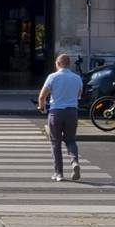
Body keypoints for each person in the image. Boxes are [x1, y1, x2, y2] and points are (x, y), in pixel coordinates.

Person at [37, 52, 84, 182]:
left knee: (55, 143)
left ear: (57, 64)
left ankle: (59, 173)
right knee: (71, 140)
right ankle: (74, 162)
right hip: (72, 112)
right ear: (68, 64)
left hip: (56, 113)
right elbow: (79, 95)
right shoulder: (77, 78)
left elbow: (42, 96)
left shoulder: (52, 77)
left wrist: (41, 107)